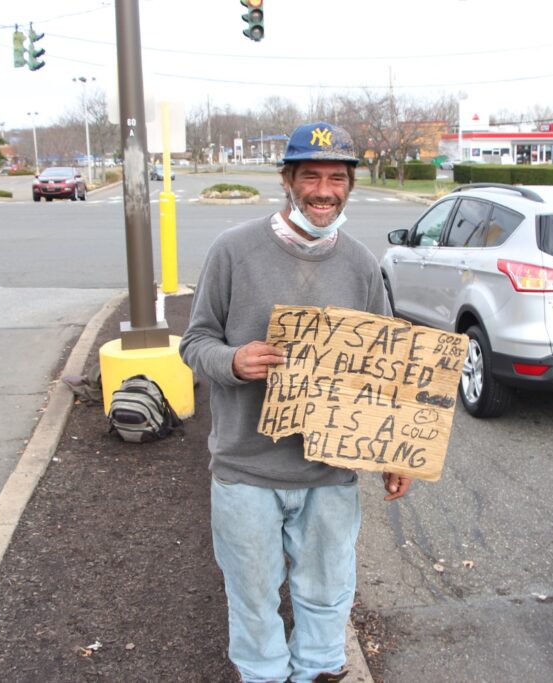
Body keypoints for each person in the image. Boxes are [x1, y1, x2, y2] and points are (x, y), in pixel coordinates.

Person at [179, 121, 412, 683]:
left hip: (329, 469)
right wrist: (232, 362)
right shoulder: (233, 250)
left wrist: (395, 449)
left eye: (338, 178)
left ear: (351, 185)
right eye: (311, 176)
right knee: (253, 594)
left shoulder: (361, 264)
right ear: (287, 180)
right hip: (246, 466)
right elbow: (195, 341)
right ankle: (261, 675)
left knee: (328, 591)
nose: (325, 191)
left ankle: (319, 670)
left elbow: (383, 367)